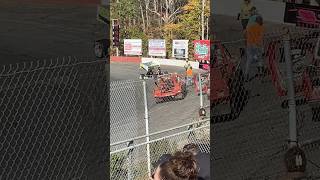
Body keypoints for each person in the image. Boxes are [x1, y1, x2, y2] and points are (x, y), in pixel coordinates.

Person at [244, 15, 264, 82]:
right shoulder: (260, 28)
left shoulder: (250, 27)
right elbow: (260, 38)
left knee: (248, 60)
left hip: (249, 45)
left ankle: (246, 75)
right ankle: (261, 72)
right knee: (260, 58)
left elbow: (246, 35)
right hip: (257, 45)